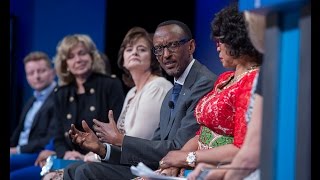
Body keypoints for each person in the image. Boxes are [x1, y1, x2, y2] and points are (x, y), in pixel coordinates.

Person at [63, 20, 217, 179]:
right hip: (155, 165)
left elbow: (178, 147)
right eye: (159, 49)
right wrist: (102, 149)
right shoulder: (172, 92)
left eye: (173, 45)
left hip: (180, 170)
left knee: (86, 171)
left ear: (190, 46)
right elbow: (155, 145)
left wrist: (121, 139)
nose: (165, 55)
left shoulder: (203, 83)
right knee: (73, 169)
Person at [158, 3, 263, 178]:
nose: (217, 47)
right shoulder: (224, 78)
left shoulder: (252, 80)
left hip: (223, 170)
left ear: (238, 39)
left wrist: (187, 158)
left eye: (222, 41)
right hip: (197, 166)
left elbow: (241, 147)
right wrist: (175, 163)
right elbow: (201, 133)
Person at [40, 34, 125, 179]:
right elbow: (59, 135)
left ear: (92, 56)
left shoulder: (110, 85)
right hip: (69, 159)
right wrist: (65, 153)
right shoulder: (61, 93)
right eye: (71, 56)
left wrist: (95, 152)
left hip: (99, 158)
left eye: (82, 53)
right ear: (65, 64)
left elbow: (117, 129)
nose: (78, 60)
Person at [10, 51, 57, 179]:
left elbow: (50, 138)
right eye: (31, 73)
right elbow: (20, 131)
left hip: (38, 153)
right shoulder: (32, 100)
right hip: (20, 151)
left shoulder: (59, 98)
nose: (37, 76)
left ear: (53, 72)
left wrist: (17, 150)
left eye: (41, 71)